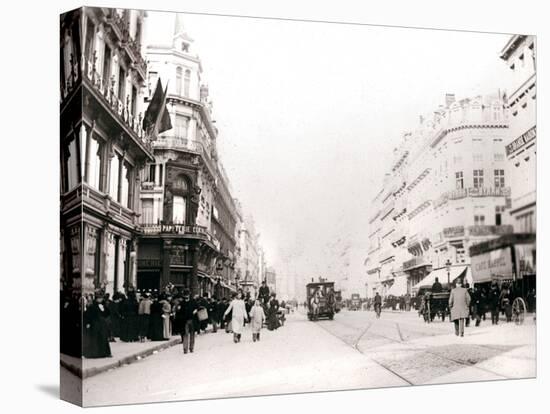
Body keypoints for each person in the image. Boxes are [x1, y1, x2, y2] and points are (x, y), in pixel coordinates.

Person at [83, 291, 112, 358]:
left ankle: (103, 353)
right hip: (95, 324)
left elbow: (107, 314)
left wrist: (104, 309)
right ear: (96, 298)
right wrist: (87, 323)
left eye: (101, 298)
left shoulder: (103, 305)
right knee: (95, 339)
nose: (101, 299)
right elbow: (88, 315)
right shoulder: (92, 305)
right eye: (99, 298)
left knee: (103, 338)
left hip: (102, 324)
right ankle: (95, 354)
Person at [174, 289, 198, 354]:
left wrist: (195, 311)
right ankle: (185, 349)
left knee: (192, 334)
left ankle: (191, 348)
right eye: (185, 295)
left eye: (187, 295)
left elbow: (197, 308)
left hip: (192, 320)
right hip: (185, 321)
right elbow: (178, 312)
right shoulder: (182, 303)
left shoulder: (193, 301)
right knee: (185, 334)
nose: (186, 296)